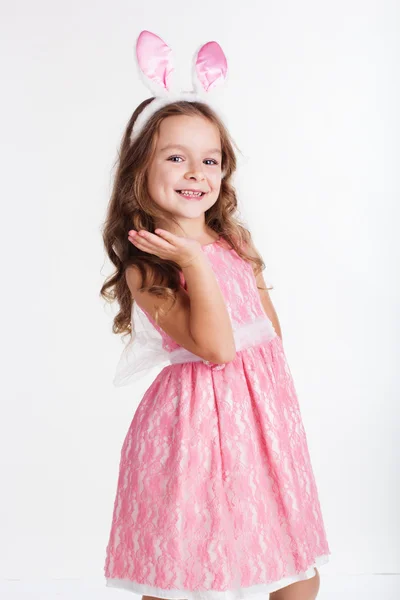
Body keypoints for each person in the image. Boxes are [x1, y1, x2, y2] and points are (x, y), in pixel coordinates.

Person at [101, 30, 331, 600]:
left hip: (259, 424)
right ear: (140, 171)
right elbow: (217, 348)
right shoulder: (147, 267)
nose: (195, 171)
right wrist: (193, 264)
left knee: (293, 568)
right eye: (175, 157)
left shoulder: (234, 243)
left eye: (210, 159)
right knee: (185, 569)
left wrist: (276, 421)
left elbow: (268, 337)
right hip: (194, 431)